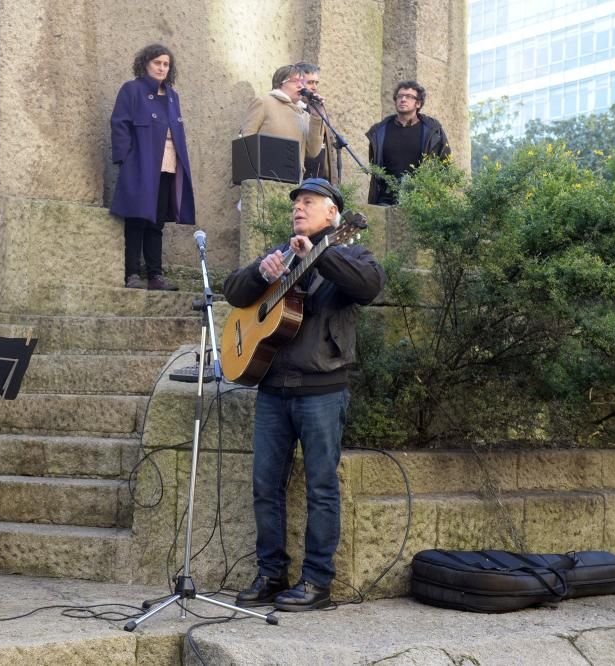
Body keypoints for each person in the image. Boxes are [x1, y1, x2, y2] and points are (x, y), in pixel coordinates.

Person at [223, 178, 385, 611]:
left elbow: (369, 286)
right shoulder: (282, 252)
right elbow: (233, 292)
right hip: (272, 388)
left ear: (333, 214)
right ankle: (271, 575)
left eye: (309, 202)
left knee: (321, 488)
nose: (298, 208)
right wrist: (263, 271)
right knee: (264, 486)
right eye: (296, 202)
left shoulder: (348, 252)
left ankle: (317, 582)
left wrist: (321, 253)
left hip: (321, 389)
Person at [110, 43, 195, 291]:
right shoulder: (132, 90)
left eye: (166, 64)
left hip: (168, 163)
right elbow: (119, 124)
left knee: (157, 222)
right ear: (145, 63)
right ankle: (132, 274)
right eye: (157, 62)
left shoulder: (172, 96)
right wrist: (126, 159)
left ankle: (156, 276)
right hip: (141, 164)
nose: (161, 68)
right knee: (137, 219)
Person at [366, 79, 450, 205]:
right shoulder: (379, 131)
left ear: (418, 103)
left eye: (409, 97)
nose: (403, 99)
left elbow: (444, 164)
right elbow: (375, 164)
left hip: (421, 198)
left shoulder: (432, 130)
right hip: (385, 199)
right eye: (400, 96)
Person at [240, 64, 324, 181]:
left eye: (302, 81)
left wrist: (316, 116)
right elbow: (245, 140)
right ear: (280, 83)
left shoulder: (304, 115)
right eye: (295, 81)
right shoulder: (264, 102)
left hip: (293, 183)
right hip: (263, 181)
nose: (301, 85)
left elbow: (313, 152)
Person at [295, 62, 338, 184]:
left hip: (318, 182)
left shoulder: (317, 110)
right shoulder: (293, 110)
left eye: (316, 83)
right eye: (310, 82)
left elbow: (328, 152)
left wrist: (333, 182)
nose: (314, 87)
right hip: (298, 181)